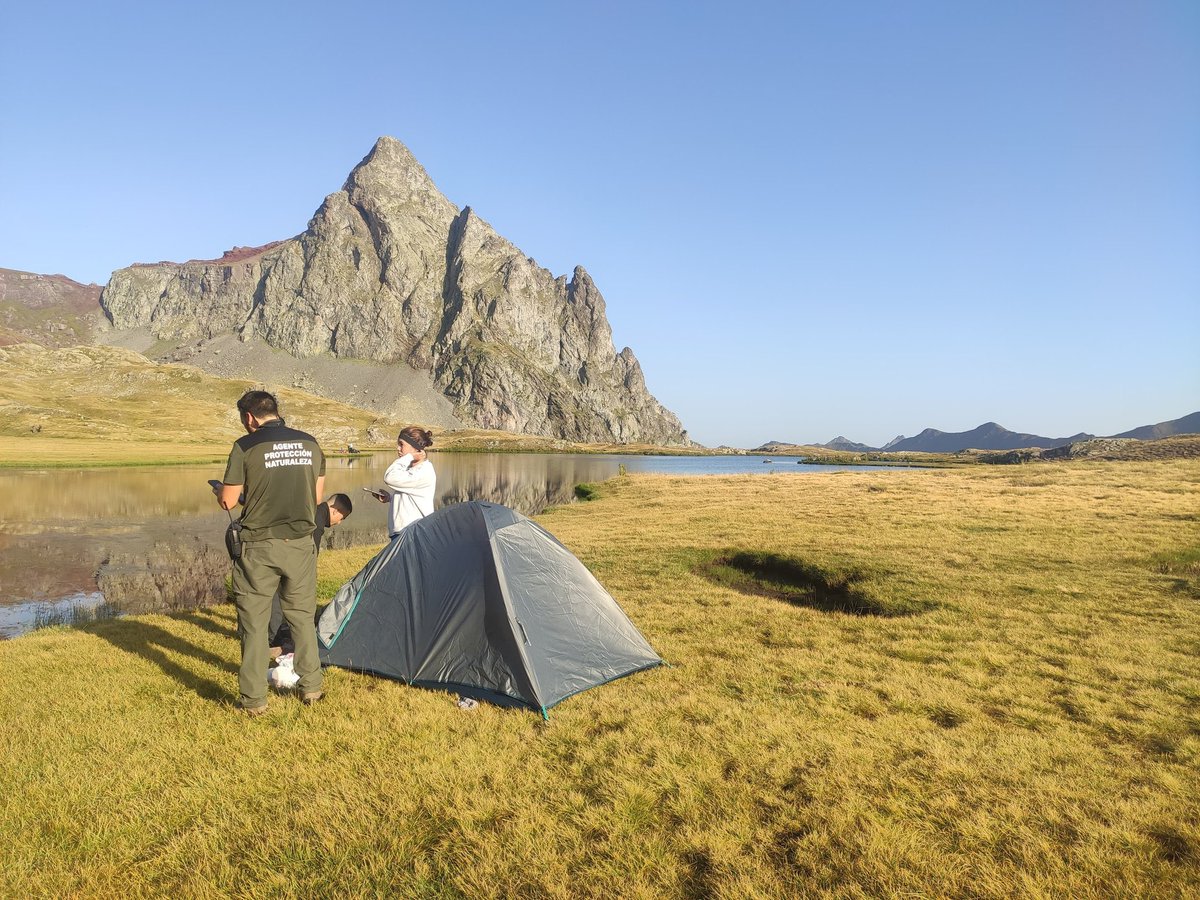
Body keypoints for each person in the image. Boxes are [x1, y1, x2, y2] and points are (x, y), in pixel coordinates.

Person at [217, 390, 326, 716]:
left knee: (254, 622)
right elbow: (317, 497)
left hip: (259, 547)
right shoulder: (310, 443)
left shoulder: (245, 446)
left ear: (249, 417)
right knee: (302, 619)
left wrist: (233, 494)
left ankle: (253, 701)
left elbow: (228, 500)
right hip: (301, 545)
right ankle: (312, 688)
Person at [267, 492, 353, 657]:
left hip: (277, 552)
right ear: (335, 510)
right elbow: (308, 555)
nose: (340, 522)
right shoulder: (316, 521)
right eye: (342, 517)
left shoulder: (312, 510)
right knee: (280, 600)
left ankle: (274, 635)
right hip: (286, 561)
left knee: (276, 598)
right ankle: (271, 641)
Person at [379, 426, 436, 537]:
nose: (398, 448)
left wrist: (407, 457)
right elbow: (411, 499)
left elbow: (389, 477)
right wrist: (390, 498)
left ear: (415, 448)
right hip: (406, 532)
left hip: (412, 533)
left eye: (401, 444)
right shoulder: (412, 469)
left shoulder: (423, 472)